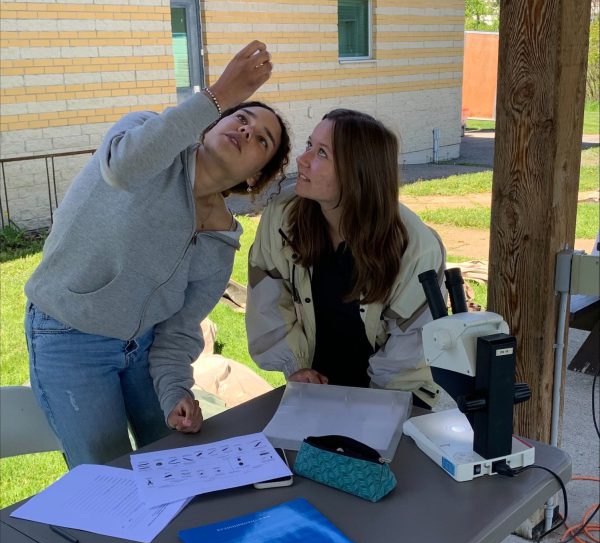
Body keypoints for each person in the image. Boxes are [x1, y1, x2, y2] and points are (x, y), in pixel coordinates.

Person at [24, 40, 291, 468]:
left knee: (174, 460)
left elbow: (179, 330)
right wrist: (218, 93)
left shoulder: (221, 239)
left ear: (255, 174)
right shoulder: (145, 136)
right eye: (241, 118)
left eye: (262, 139)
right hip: (69, 337)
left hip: (143, 351)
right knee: (107, 473)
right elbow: (122, 169)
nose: (246, 130)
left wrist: (176, 392)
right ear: (212, 122)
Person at [245, 109, 445, 408]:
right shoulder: (283, 218)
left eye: (322, 153)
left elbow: (410, 352)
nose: (303, 159)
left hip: (398, 399)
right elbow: (268, 304)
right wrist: (295, 367)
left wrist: (367, 412)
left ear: (358, 173)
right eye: (310, 145)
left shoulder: (415, 247)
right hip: (315, 393)